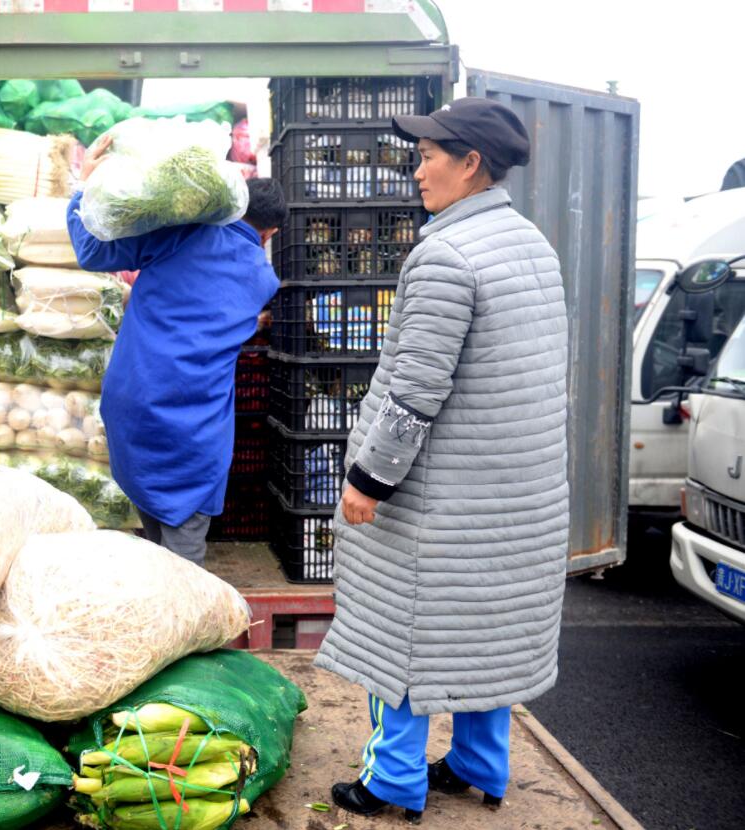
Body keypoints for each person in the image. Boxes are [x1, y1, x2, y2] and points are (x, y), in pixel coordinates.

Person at [313, 97, 570, 823]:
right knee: (483, 637)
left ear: (471, 163)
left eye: (428, 157)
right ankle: (479, 766)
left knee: (403, 635)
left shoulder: (445, 256)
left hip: (437, 506)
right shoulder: (531, 245)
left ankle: (392, 782)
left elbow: (413, 394)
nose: (417, 171)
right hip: (514, 503)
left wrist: (368, 480)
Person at [66, 147, 286, 566]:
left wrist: (84, 187)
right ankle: (180, 606)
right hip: (195, 427)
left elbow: (92, 251)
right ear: (269, 233)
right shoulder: (264, 280)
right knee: (184, 559)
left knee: (154, 538)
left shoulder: (184, 232)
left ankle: (163, 599)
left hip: (133, 401)